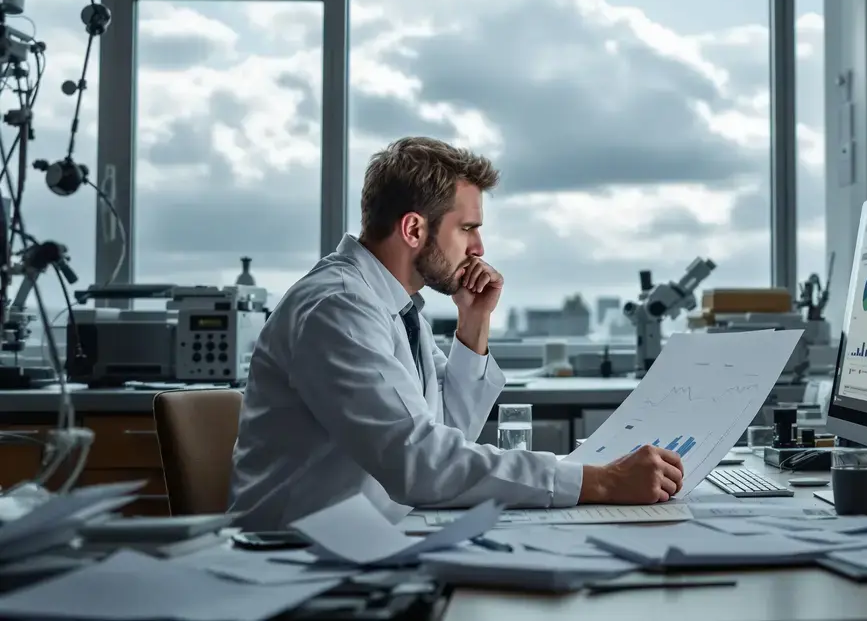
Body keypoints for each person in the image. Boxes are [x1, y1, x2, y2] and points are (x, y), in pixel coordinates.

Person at [228, 136, 685, 529]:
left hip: (374, 538)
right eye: (467, 228)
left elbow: (446, 432)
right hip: (298, 560)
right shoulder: (339, 307)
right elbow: (420, 463)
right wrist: (599, 481)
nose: (480, 248)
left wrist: (474, 323)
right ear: (413, 229)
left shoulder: (395, 305)